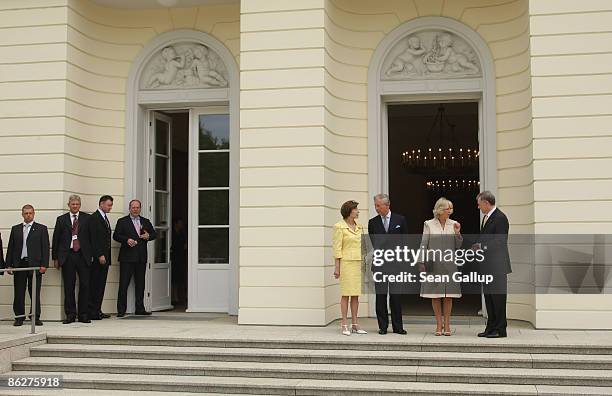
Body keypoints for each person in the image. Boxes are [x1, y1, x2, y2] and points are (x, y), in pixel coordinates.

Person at [418, 198, 463, 336]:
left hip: (449, 264)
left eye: (451, 208)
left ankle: (447, 324)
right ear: (440, 210)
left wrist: (457, 233)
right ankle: (439, 324)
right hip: (433, 263)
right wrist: (421, 262)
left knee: (448, 296)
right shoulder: (429, 224)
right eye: (448, 208)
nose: (450, 211)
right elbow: (423, 244)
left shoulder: (454, 224)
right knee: (435, 295)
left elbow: (458, 245)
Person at [368, 194, 408, 335]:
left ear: (387, 205)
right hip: (380, 264)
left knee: (396, 296)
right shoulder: (372, 222)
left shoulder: (400, 220)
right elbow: (374, 243)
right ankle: (383, 326)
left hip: (397, 264)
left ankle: (398, 327)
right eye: (375, 205)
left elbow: (405, 243)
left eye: (378, 205)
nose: (376, 208)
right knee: (381, 296)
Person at [475, 191, 511, 338]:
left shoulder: (500, 218)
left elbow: (500, 241)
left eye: (479, 204)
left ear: (486, 203)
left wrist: (482, 247)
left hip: (497, 266)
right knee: (489, 298)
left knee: (498, 298)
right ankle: (491, 327)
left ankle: (500, 329)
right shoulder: (487, 218)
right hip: (487, 266)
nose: (478, 207)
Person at [6, 205, 49, 326]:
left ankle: (35, 316)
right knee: (19, 292)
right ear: (22, 214)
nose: (28, 215)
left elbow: (45, 248)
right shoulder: (16, 229)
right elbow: (11, 247)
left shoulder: (41, 229)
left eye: (30, 213)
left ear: (34, 213)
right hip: (20, 265)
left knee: (34, 292)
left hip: (35, 265)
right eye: (26, 213)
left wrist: (44, 264)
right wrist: (9, 264)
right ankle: (19, 317)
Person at [52, 195, 92, 324]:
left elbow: (92, 238)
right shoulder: (61, 219)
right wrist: (55, 258)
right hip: (67, 256)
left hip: (83, 255)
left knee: (85, 285)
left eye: (77, 204)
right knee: (69, 286)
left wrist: (93, 255)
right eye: (72, 204)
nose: (75, 206)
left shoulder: (87, 218)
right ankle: (70, 314)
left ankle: (83, 314)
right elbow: (56, 239)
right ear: (68, 205)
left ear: (80, 205)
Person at [114, 199, 157, 316]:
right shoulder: (122, 221)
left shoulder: (145, 221)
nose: (135, 209)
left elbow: (154, 234)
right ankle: (121, 310)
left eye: (137, 207)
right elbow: (116, 235)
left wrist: (148, 236)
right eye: (133, 207)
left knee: (140, 284)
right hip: (127, 258)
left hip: (141, 257)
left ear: (140, 208)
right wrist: (126, 240)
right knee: (124, 284)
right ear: (130, 208)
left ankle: (140, 309)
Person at [333, 200, 367, 336]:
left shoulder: (360, 227)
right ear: (349, 211)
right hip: (346, 264)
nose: (358, 211)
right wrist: (337, 268)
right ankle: (344, 324)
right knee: (345, 294)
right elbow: (337, 248)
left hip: (358, 264)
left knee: (355, 295)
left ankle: (355, 324)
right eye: (356, 209)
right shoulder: (339, 226)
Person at [89, 195, 113, 320]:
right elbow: (94, 239)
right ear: (101, 204)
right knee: (95, 284)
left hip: (105, 257)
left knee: (101, 285)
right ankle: (93, 311)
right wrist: (99, 254)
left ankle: (98, 309)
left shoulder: (104, 218)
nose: (110, 208)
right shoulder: (94, 218)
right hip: (99, 258)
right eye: (109, 205)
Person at [171, 218, 187, 306]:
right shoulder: (171, 233)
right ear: (176, 223)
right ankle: (173, 297)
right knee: (174, 278)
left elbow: (184, 244)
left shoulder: (182, 233)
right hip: (173, 257)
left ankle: (178, 297)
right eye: (180, 223)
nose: (182, 225)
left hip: (180, 257)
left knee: (179, 278)